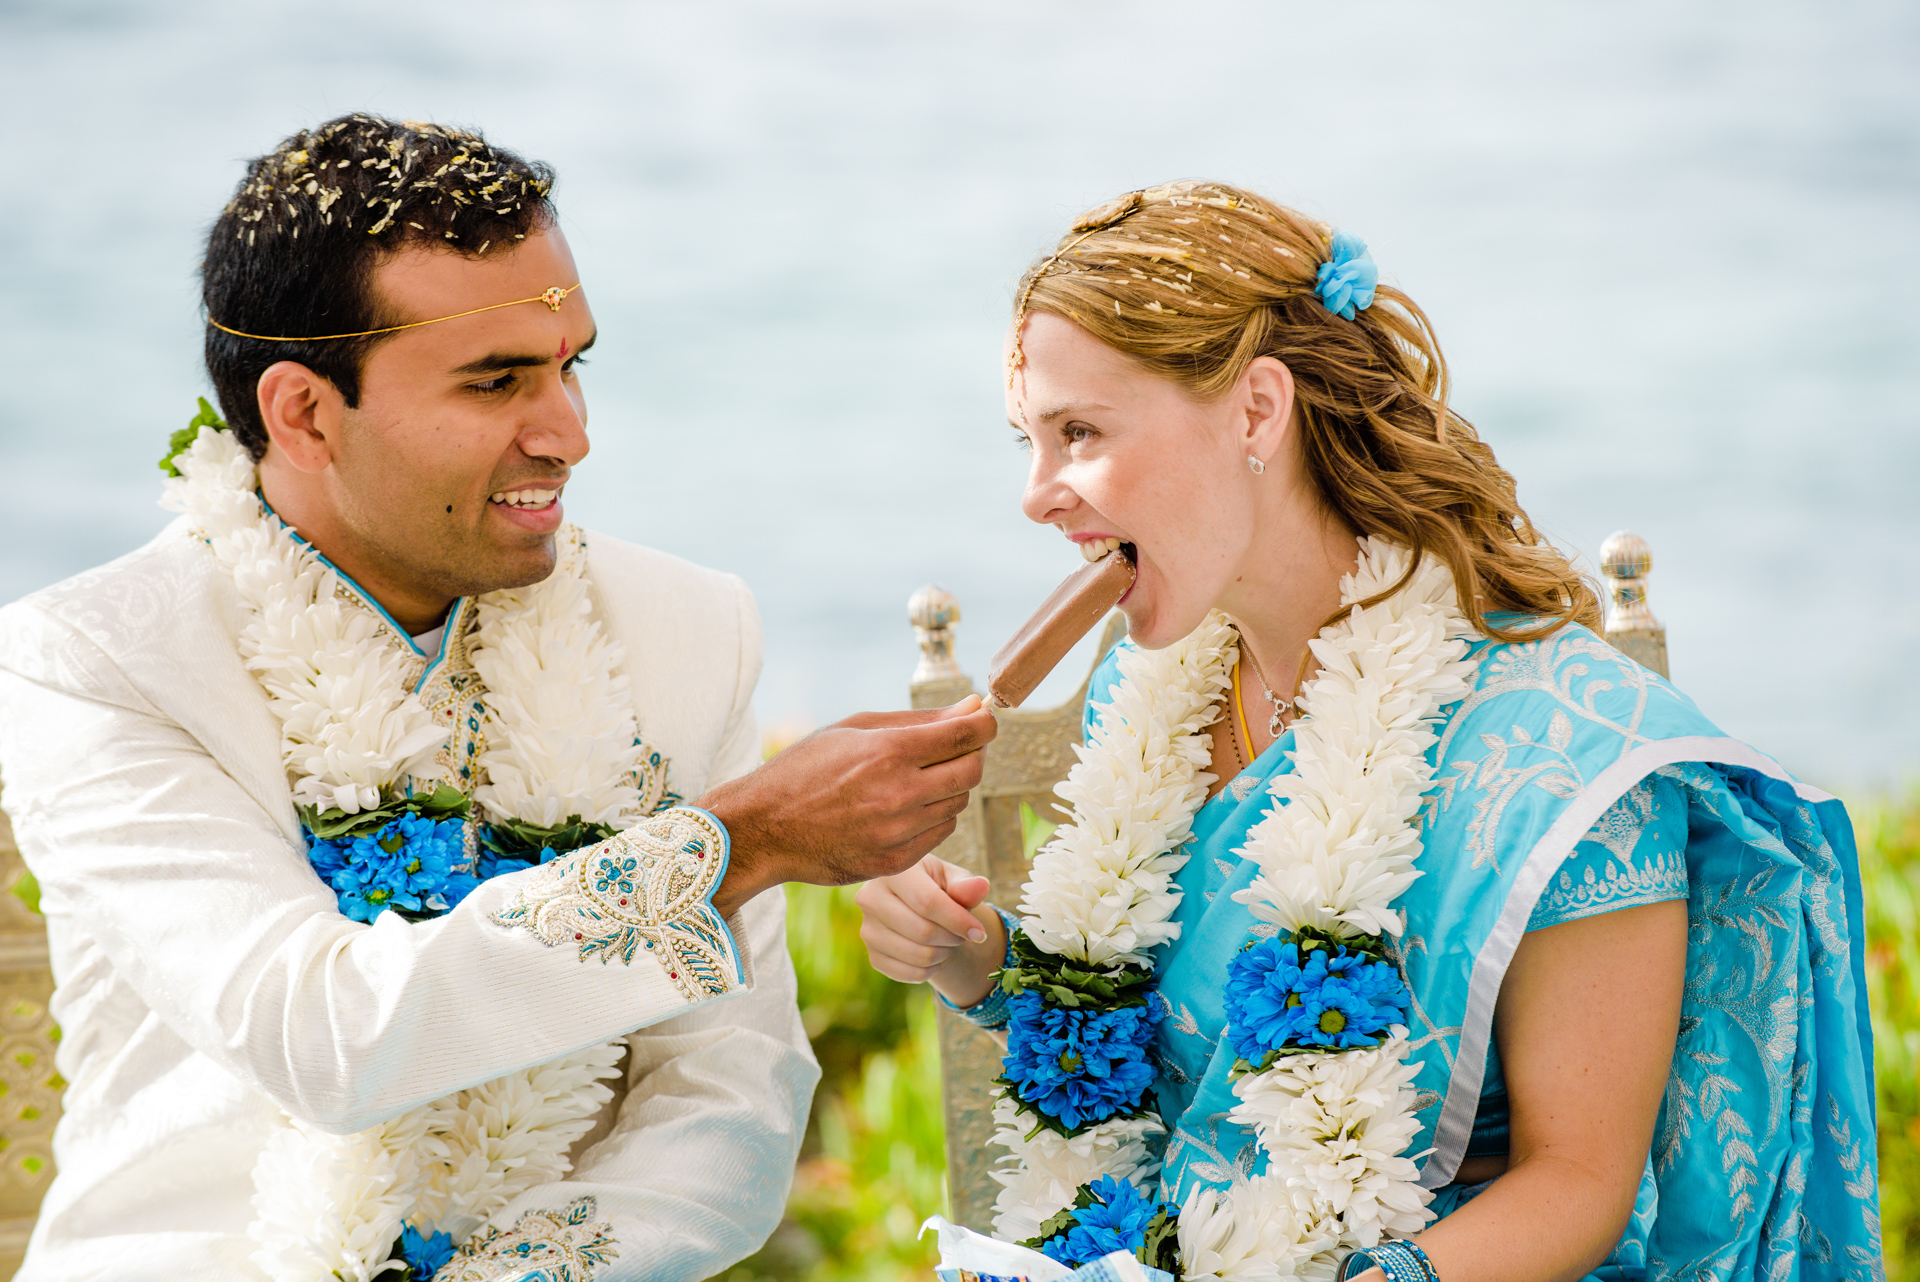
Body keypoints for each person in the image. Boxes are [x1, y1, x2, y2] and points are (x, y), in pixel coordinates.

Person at [0, 114, 998, 1281]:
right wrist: (743, 842)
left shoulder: (686, 629)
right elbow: (327, 1036)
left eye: (573, 363)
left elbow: (731, 1088)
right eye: (497, 381)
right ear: (304, 413)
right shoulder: (95, 659)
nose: (569, 433)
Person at [857, 181, 1880, 1280]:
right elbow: (1161, 1069)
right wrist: (983, 964)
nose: (1036, 493)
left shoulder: (1567, 755)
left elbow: (1580, 1183)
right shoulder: (1151, 692)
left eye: (1079, 433)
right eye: (1028, 439)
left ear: (1256, 410)